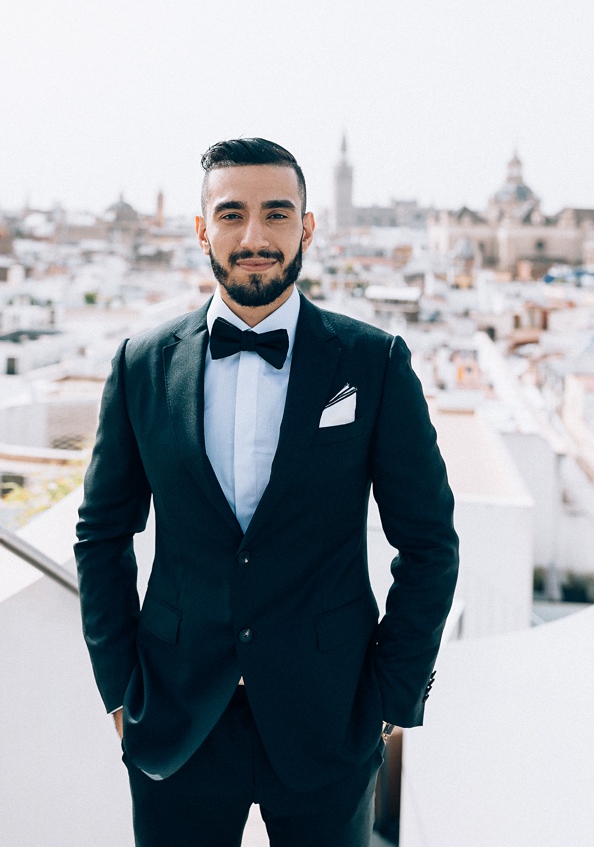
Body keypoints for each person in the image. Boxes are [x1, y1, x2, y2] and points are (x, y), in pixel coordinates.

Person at [74, 138, 459, 846]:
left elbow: (430, 542)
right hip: (175, 720)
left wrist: (389, 696)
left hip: (331, 721)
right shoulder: (140, 364)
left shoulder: (373, 363)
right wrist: (120, 689)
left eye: (277, 214)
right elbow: (101, 534)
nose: (255, 237)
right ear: (201, 230)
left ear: (307, 228)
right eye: (232, 215)